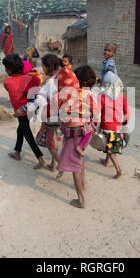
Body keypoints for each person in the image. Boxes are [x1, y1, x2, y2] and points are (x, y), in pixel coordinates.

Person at [53, 66, 96, 209]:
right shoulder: (85, 95)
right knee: (79, 159)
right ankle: (84, 183)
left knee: (74, 167)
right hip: (86, 133)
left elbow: (64, 120)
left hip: (75, 135)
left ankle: (81, 200)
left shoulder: (67, 99)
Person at [15, 54, 62, 172]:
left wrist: (23, 109)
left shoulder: (50, 82)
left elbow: (40, 100)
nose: (43, 69)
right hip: (61, 115)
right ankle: (53, 164)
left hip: (51, 116)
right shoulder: (61, 77)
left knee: (49, 143)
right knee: (55, 139)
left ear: (48, 66)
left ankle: (62, 165)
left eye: (43, 66)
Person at [3, 54, 47, 169]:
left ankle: (41, 159)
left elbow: (11, 88)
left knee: (27, 134)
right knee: (20, 130)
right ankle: (17, 152)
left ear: (9, 69)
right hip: (31, 109)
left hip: (21, 112)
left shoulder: (7, 82)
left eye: (6, 68)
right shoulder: (30, 78)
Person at [99, 71, 130, 179]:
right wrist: (125, 122)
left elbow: (97, 112)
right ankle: (106, 162)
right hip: (117, 127)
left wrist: (93, 124)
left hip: (107, 127)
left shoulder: (102, 97)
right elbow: (127, 112)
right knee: (110, 145)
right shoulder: (122, 97)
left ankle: (118, 169)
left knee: (111, 150)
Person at [73, 65, 99, 158]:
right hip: (82, 124)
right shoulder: (90, 94)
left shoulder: (82, 94)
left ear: (83, 83)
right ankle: (80, 147)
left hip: (79, 124)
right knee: (89, 132)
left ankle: (80, 147)